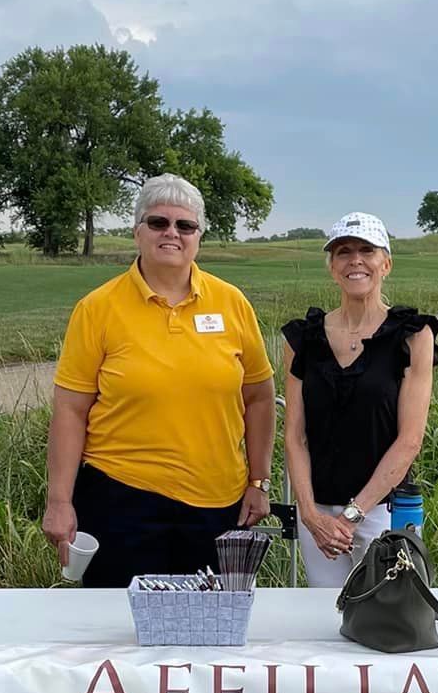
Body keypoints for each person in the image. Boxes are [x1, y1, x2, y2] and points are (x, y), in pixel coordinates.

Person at [42, 177, 276, 587]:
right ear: (137, 232)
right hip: (120, 500)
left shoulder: (232, 303)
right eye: (158, 222)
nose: (172, 233)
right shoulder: (97, 309)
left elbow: (259, 397)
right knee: (120, 633)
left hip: (217, 504)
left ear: (198, 237)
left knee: (207, 631)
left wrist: (258, 481)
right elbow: (70, 409)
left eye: (185, 226)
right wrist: (59, 501)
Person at [280, 212, 438, 589]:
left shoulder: (412, 337)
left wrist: (353, 516)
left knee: (387, 619)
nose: (355, 260)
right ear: (332, 267)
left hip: (382, 510)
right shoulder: (303, 339)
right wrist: (309, 513)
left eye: (366, 250)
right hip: (318, 514)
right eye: (343, 252)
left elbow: (410, 439)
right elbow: (295, 437)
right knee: (327, 620)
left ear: (385, 263)